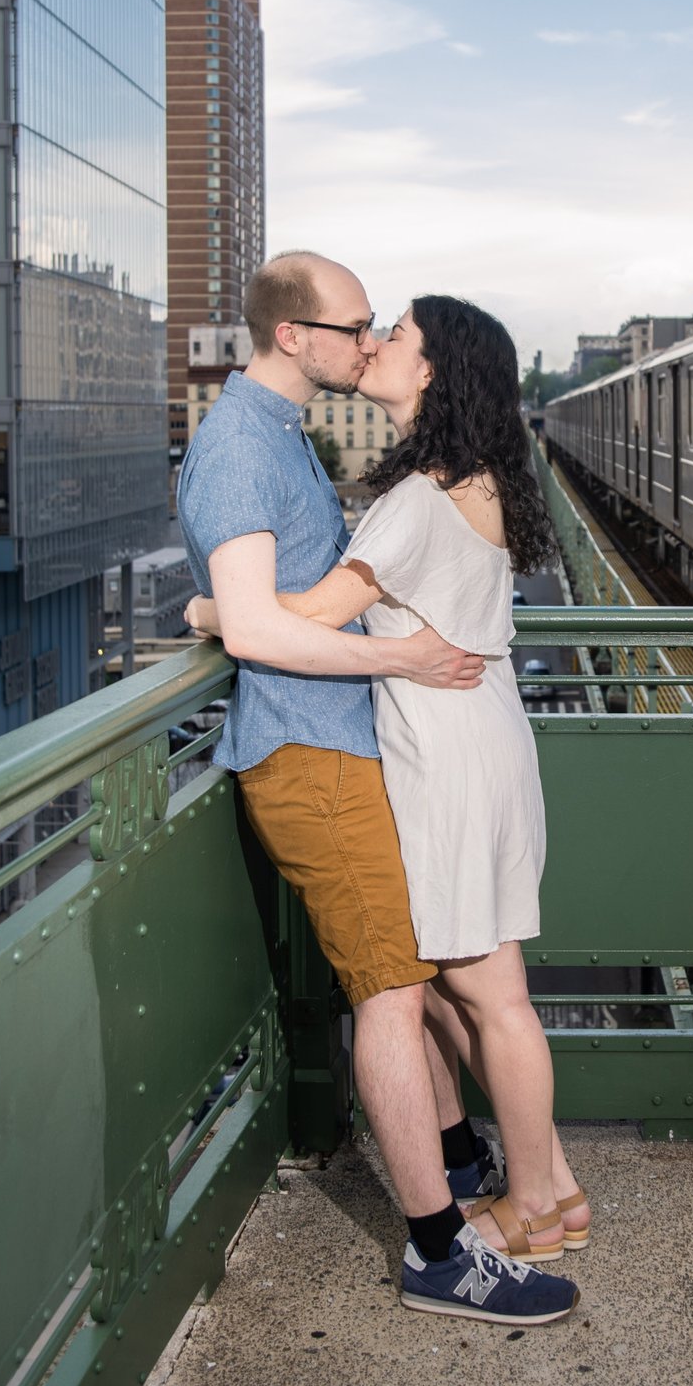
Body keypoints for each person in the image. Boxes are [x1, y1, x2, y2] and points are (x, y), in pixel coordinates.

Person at [176, 252, 577, 1327]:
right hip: (324, 746)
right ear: (294, 336)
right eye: (357, 325)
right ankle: (449, 1238)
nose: (367, 341)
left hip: (390, 742)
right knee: (408, 992)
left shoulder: (312, 449)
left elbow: (280, 609)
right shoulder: (241, 450)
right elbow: (269, 619)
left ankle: (498, 1188)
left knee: (434, 986)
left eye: (383, 329)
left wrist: (211, 616)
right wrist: (249, 620)